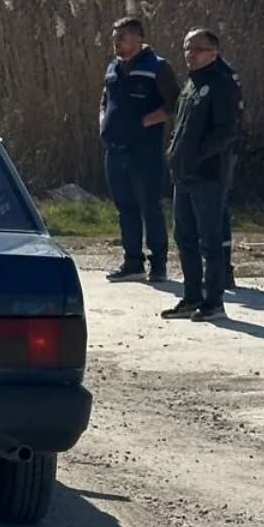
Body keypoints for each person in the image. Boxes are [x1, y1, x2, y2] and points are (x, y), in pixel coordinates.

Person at [161, 29, 242, 324]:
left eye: (197, 49)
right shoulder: (192, 82)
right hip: (183, 173)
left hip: (208, 173)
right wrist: (173, 153)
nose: (189, 54)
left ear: (213, 52)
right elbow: (182, 124)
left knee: (210, 239)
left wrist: (197, 155)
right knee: (184, 238)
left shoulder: (223, 82)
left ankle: (214, 301)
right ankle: (192, 296)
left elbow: (226, 131)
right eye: (186, 48)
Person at [99, 17, 180, 282]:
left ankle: (158, 264)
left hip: (144, 150)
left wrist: (143, 123)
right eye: (114, 36)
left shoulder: (157, 67)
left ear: (138, 38)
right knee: (125, 207)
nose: (116, 41)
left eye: (121, 36)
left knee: (149, 206)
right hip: (115, 149)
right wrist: (103, 122)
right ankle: (132, 262)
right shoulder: (113, 67)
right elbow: (104, 99)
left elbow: (173, 104)